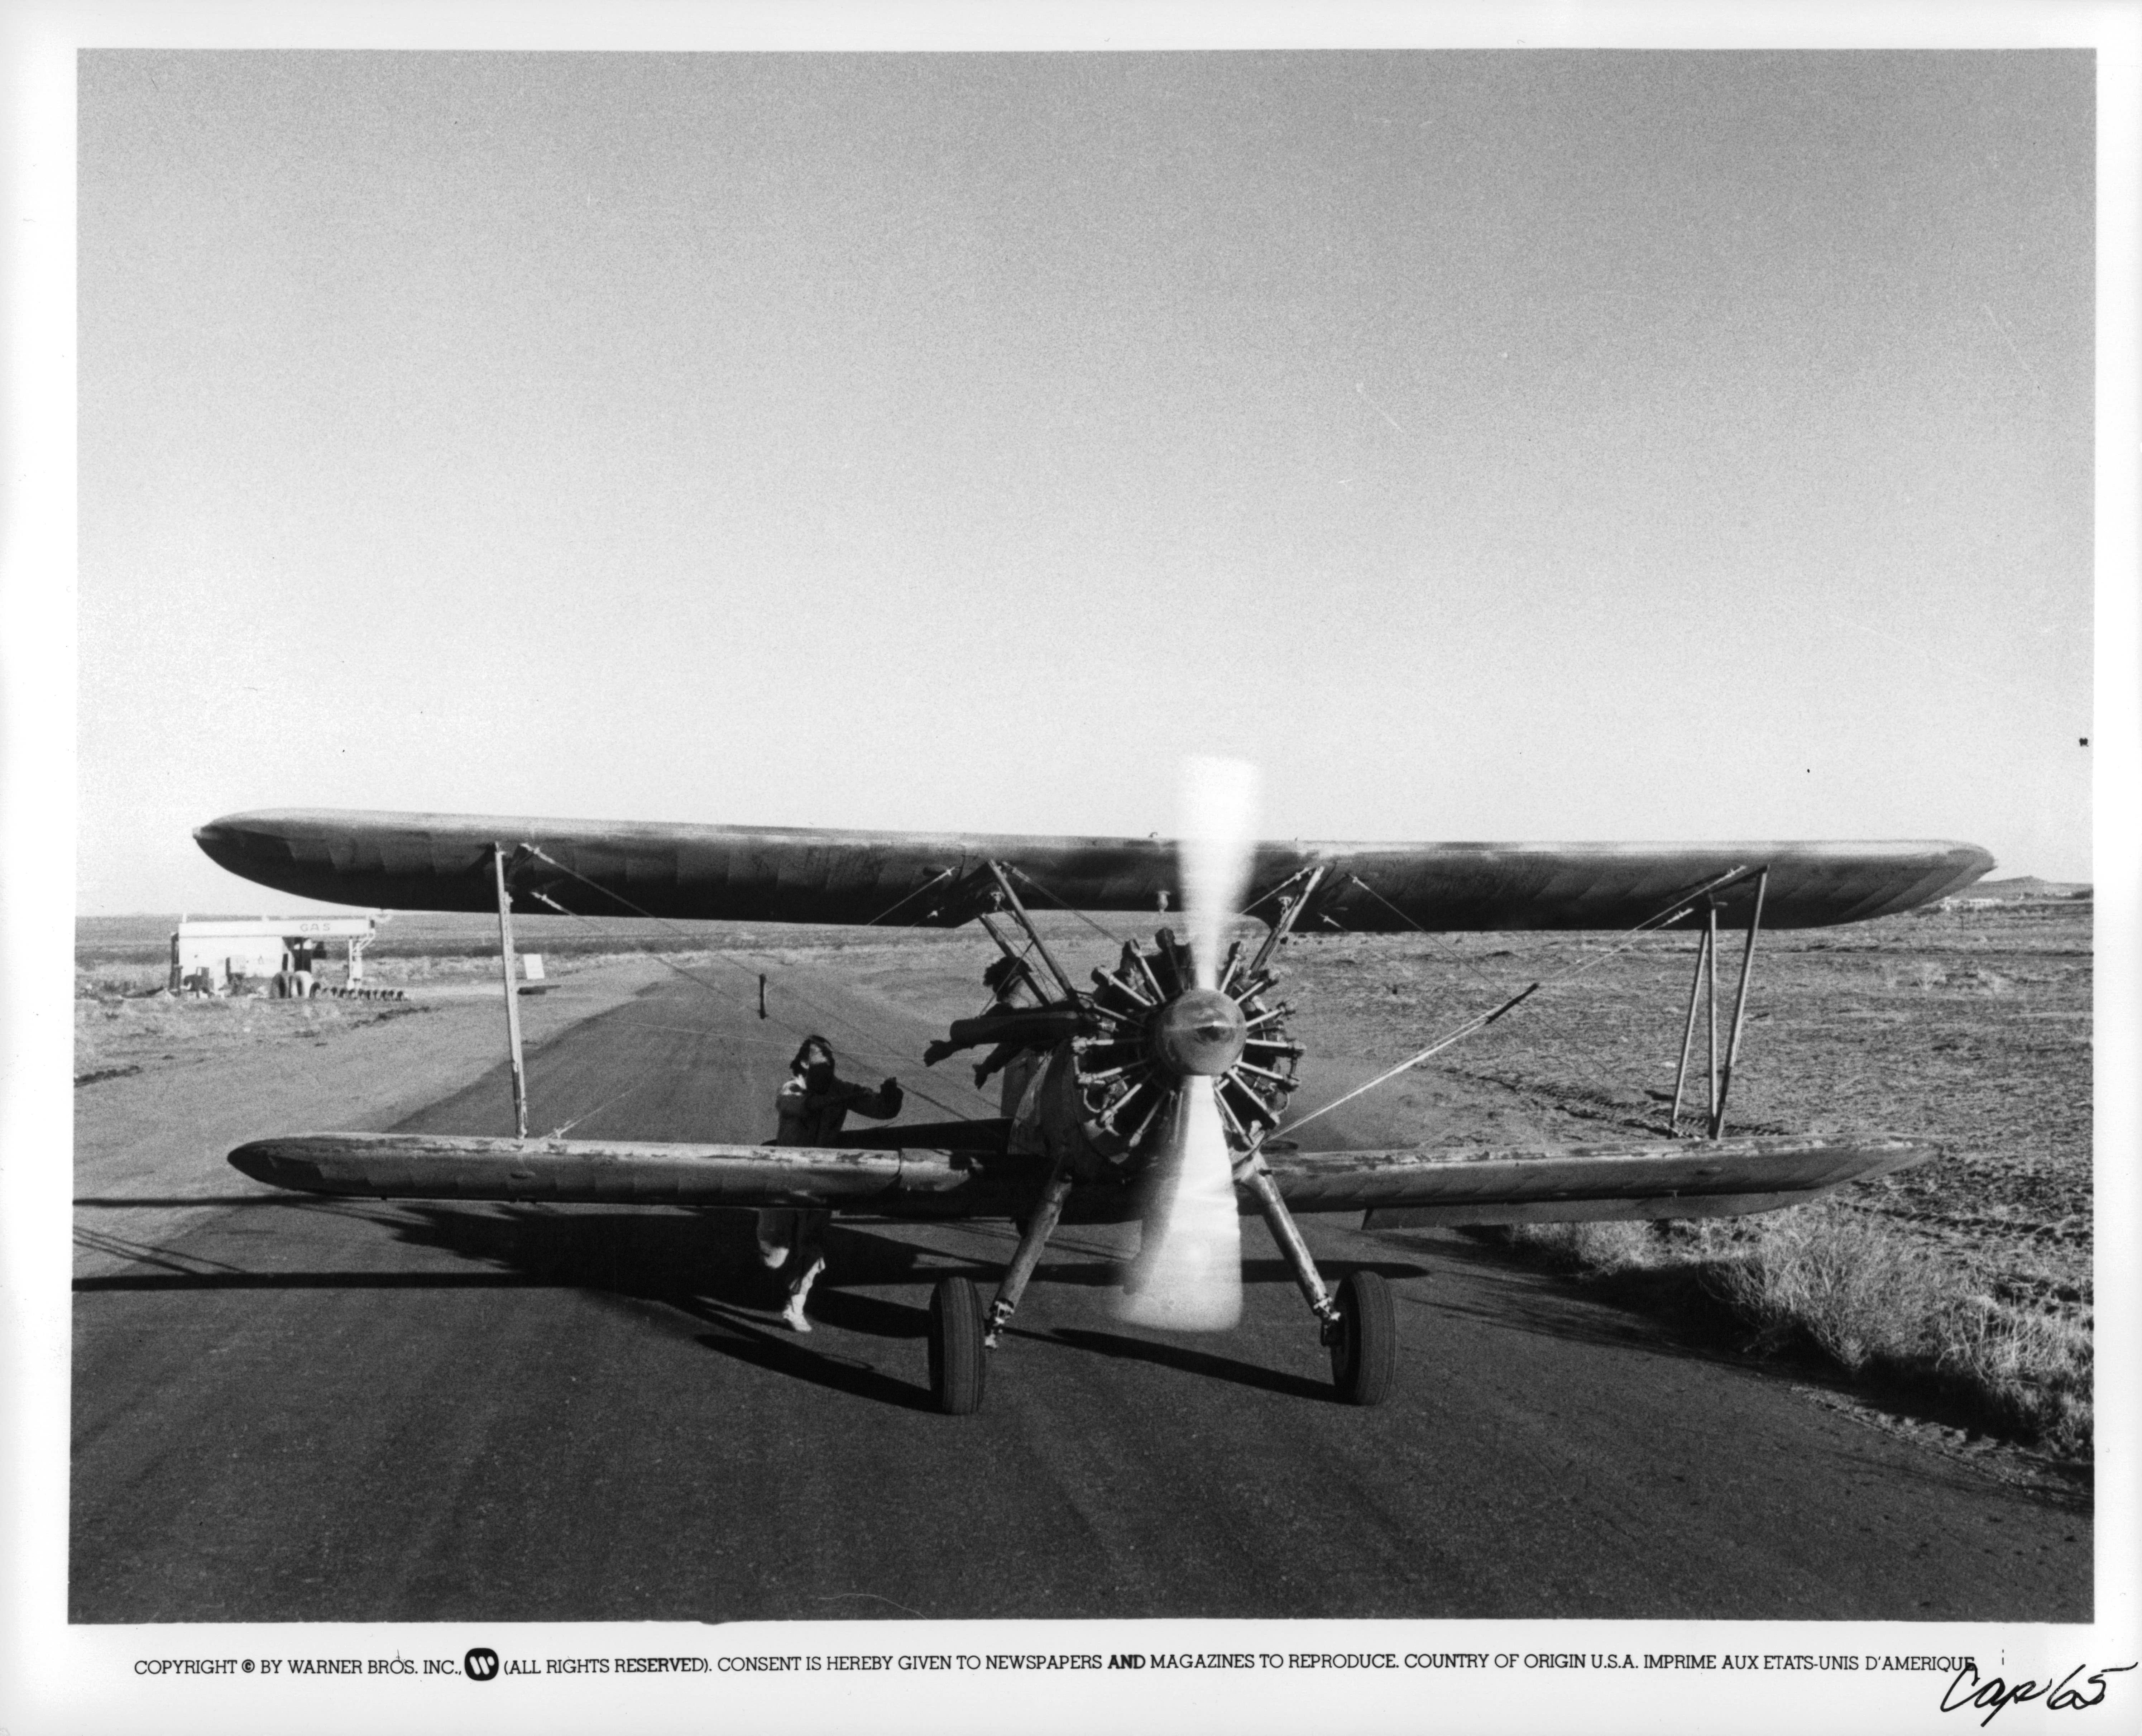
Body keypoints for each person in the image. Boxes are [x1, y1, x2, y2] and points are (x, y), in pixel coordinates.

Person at [759, 1035, 902, 1332]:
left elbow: (880, 1109)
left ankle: (795, 1306)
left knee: (812, 1245)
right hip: (787, 1177)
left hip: (821, 1180)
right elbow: (805, 1106)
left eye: (831, 1061)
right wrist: (845, 1099)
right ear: (803, 1064)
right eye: (821, 1061)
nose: (829, 1067)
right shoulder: (791, 1089)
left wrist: (891, 1097)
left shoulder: (842, 1090)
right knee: (775, 1256)